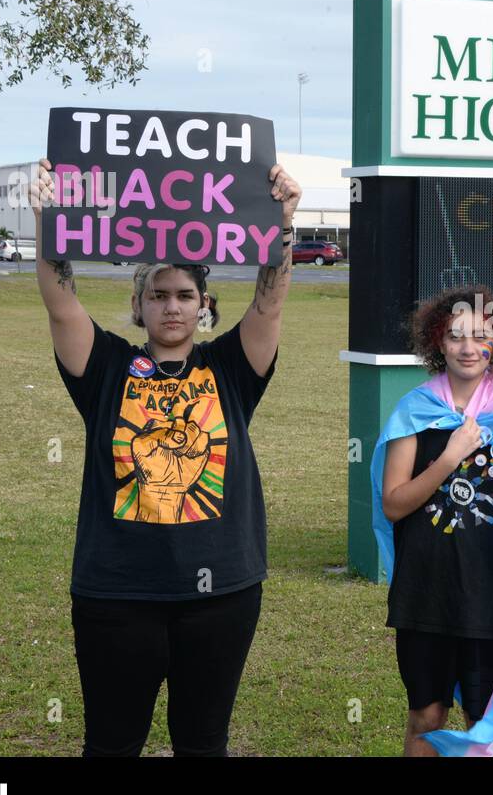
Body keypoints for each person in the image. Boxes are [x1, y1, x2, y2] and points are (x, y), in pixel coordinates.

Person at [30, 157, 300, 756]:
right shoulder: (106, 368)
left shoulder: (229, 366)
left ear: (203, 304)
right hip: (116, 594)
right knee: (111, 742)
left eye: (184, 295)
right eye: (158, 295)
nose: (172, 306)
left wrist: (281, 225)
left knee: (202, 742)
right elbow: (60, 303)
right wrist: (49, 217)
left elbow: (270, 305)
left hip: (222, 593)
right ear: (138, 304)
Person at [372, 284, 493, 756]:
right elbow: (393, 503)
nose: (468, 348)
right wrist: (449, 458)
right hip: (424, 590)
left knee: (481, 717)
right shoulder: (416, 410)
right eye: (454, 336)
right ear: (437, 343)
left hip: (490, 593)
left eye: (479, 335)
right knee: (425, 717)